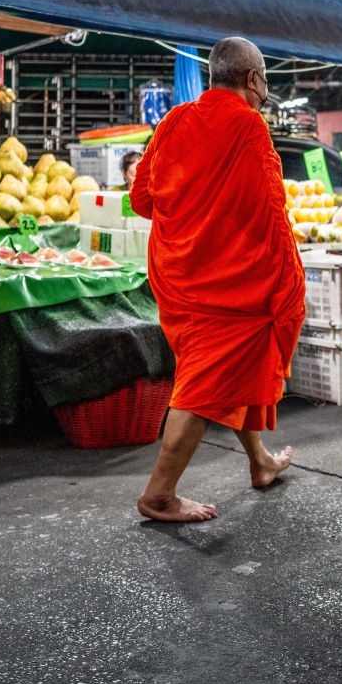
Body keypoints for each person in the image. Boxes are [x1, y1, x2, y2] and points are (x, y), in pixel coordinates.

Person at [130, 37, 305, 523]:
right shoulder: (248, 124)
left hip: (178, 275)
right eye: (265, 80)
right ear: (253, 80)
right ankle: (159, 494)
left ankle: (260, 461)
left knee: (228, 372)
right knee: (202, 385)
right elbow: (272, 210)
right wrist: (288, 278)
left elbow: (141, 198)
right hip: (226, 285)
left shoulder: (173, 122)